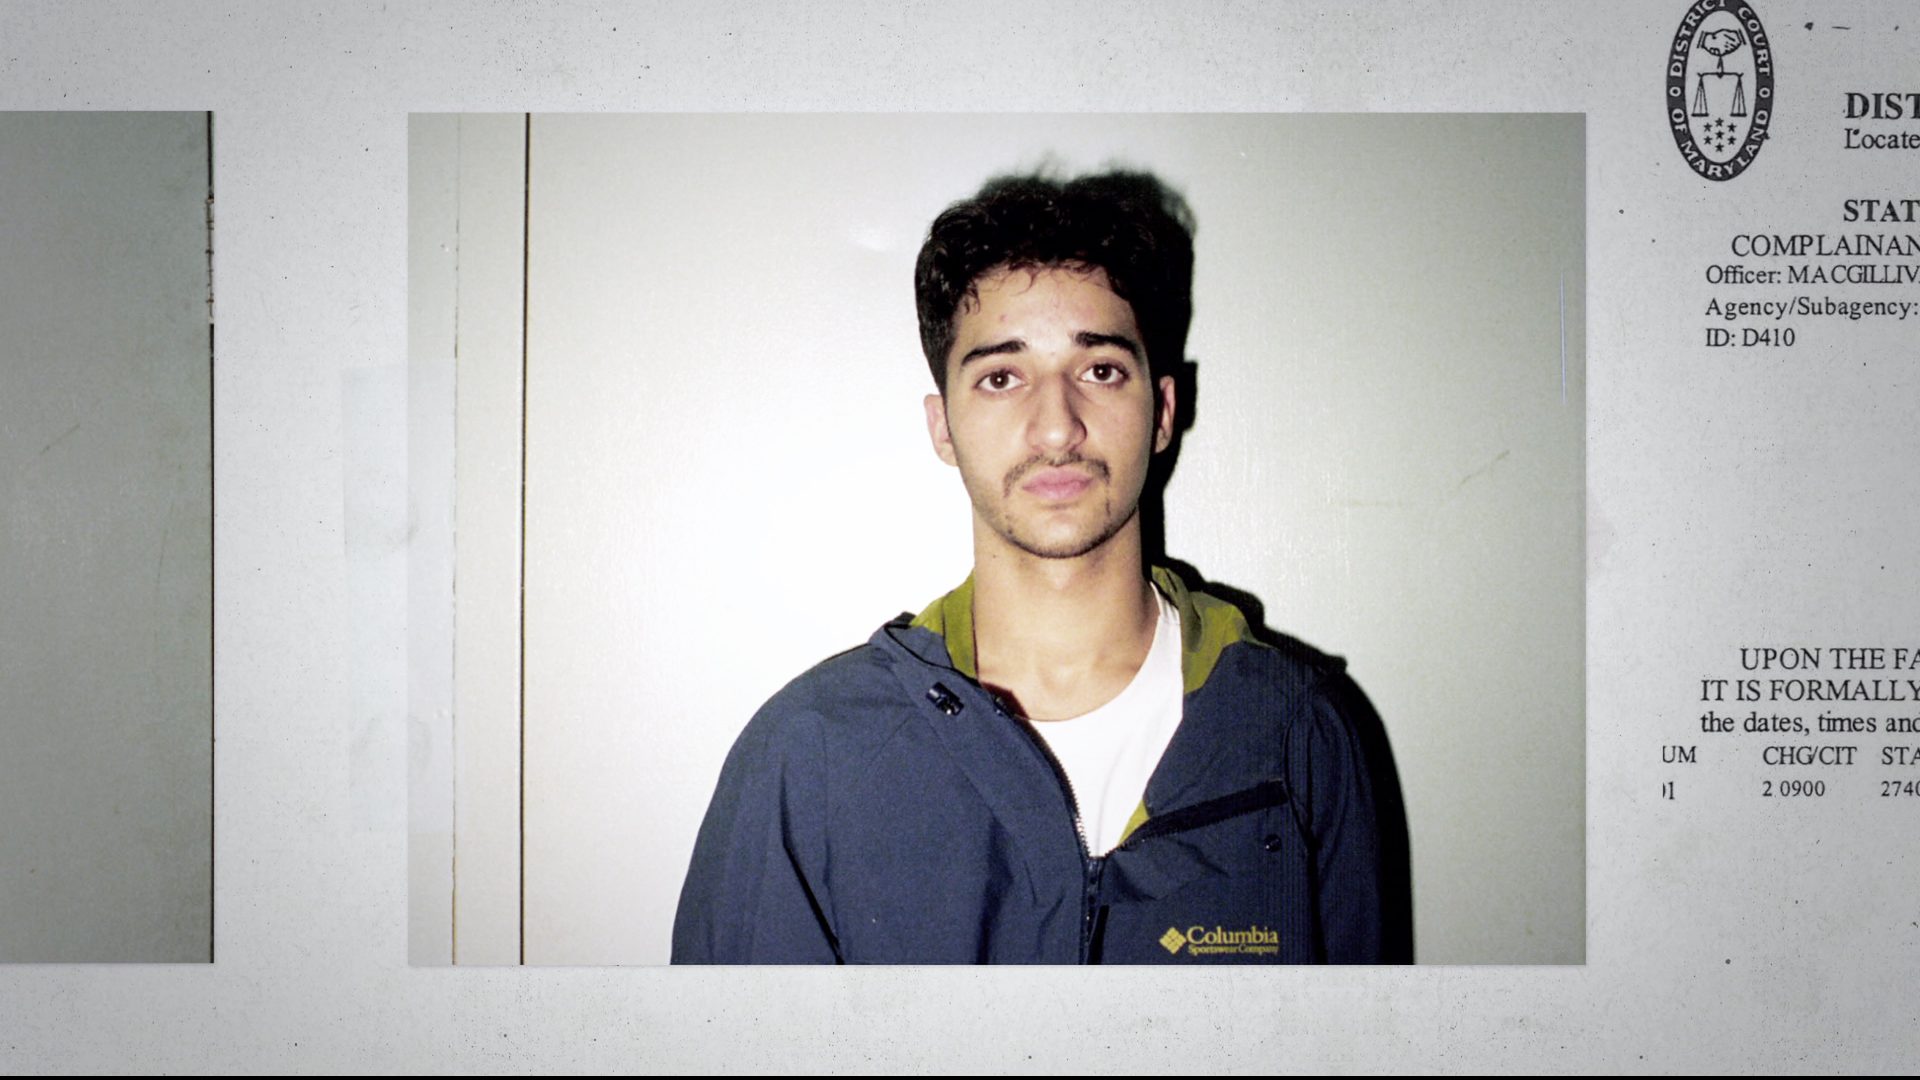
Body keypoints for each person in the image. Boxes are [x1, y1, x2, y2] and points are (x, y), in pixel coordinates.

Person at [672, 169, 1386, 964]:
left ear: (1163, 410)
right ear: (943, 427)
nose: (1056, 427)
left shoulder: (1296, 733)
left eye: (1100, 370)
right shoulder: (810, 755)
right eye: (1002, 377)